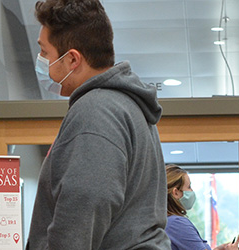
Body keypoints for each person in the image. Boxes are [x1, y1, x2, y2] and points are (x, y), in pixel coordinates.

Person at [25, 0, 170, 249]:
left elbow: (84, 204)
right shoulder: (126, 106)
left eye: (45, 53)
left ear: (72, 59)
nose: (41, 61)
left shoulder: (95, 111)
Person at [165, 165, 239, 250]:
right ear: (176, 193)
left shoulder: (167, 221)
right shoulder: (177, 224)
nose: (192, 191)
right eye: (189, 187)